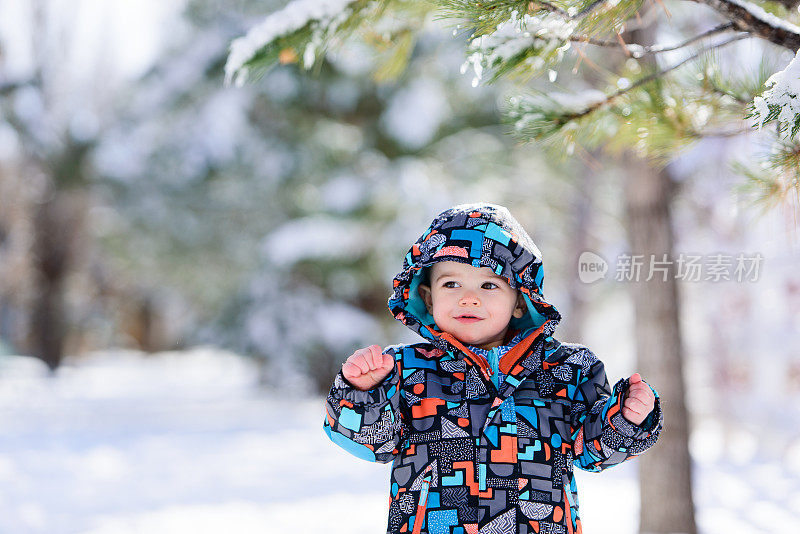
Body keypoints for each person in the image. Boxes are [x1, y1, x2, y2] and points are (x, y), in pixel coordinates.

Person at [323, 203, 662, 534]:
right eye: (451, 284)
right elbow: (371, 444)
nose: (469, 298)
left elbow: (593, 448)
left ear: (520, 300)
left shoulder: (566, 371)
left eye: (489, 285)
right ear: (428, 298)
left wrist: (628, 418)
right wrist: (361, 392)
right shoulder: (406, 370)